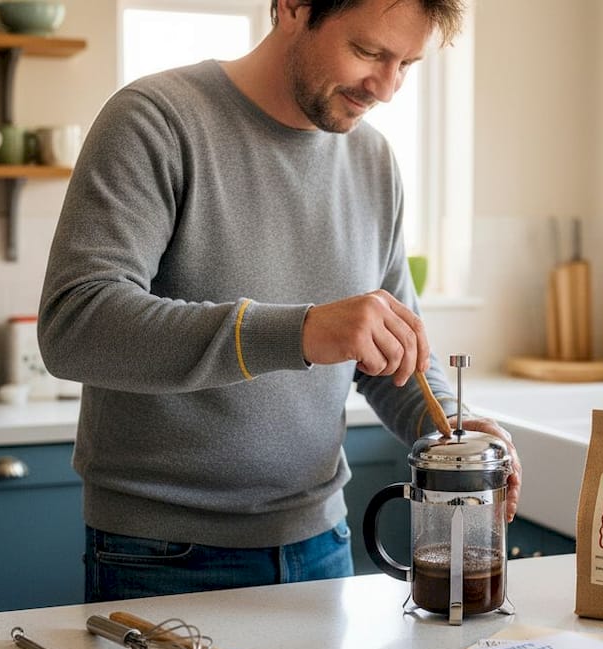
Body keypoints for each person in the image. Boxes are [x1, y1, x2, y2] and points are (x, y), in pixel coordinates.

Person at [38, 0, 522, 603]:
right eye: (369, 53)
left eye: (407, 64)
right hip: (161, 554)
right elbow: (76, 322)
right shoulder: (156, 119)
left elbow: (393, 356)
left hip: (322, 543)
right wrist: (299, 332)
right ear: (292, 6)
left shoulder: (374, 161)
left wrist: (453, 425)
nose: (388, 87)